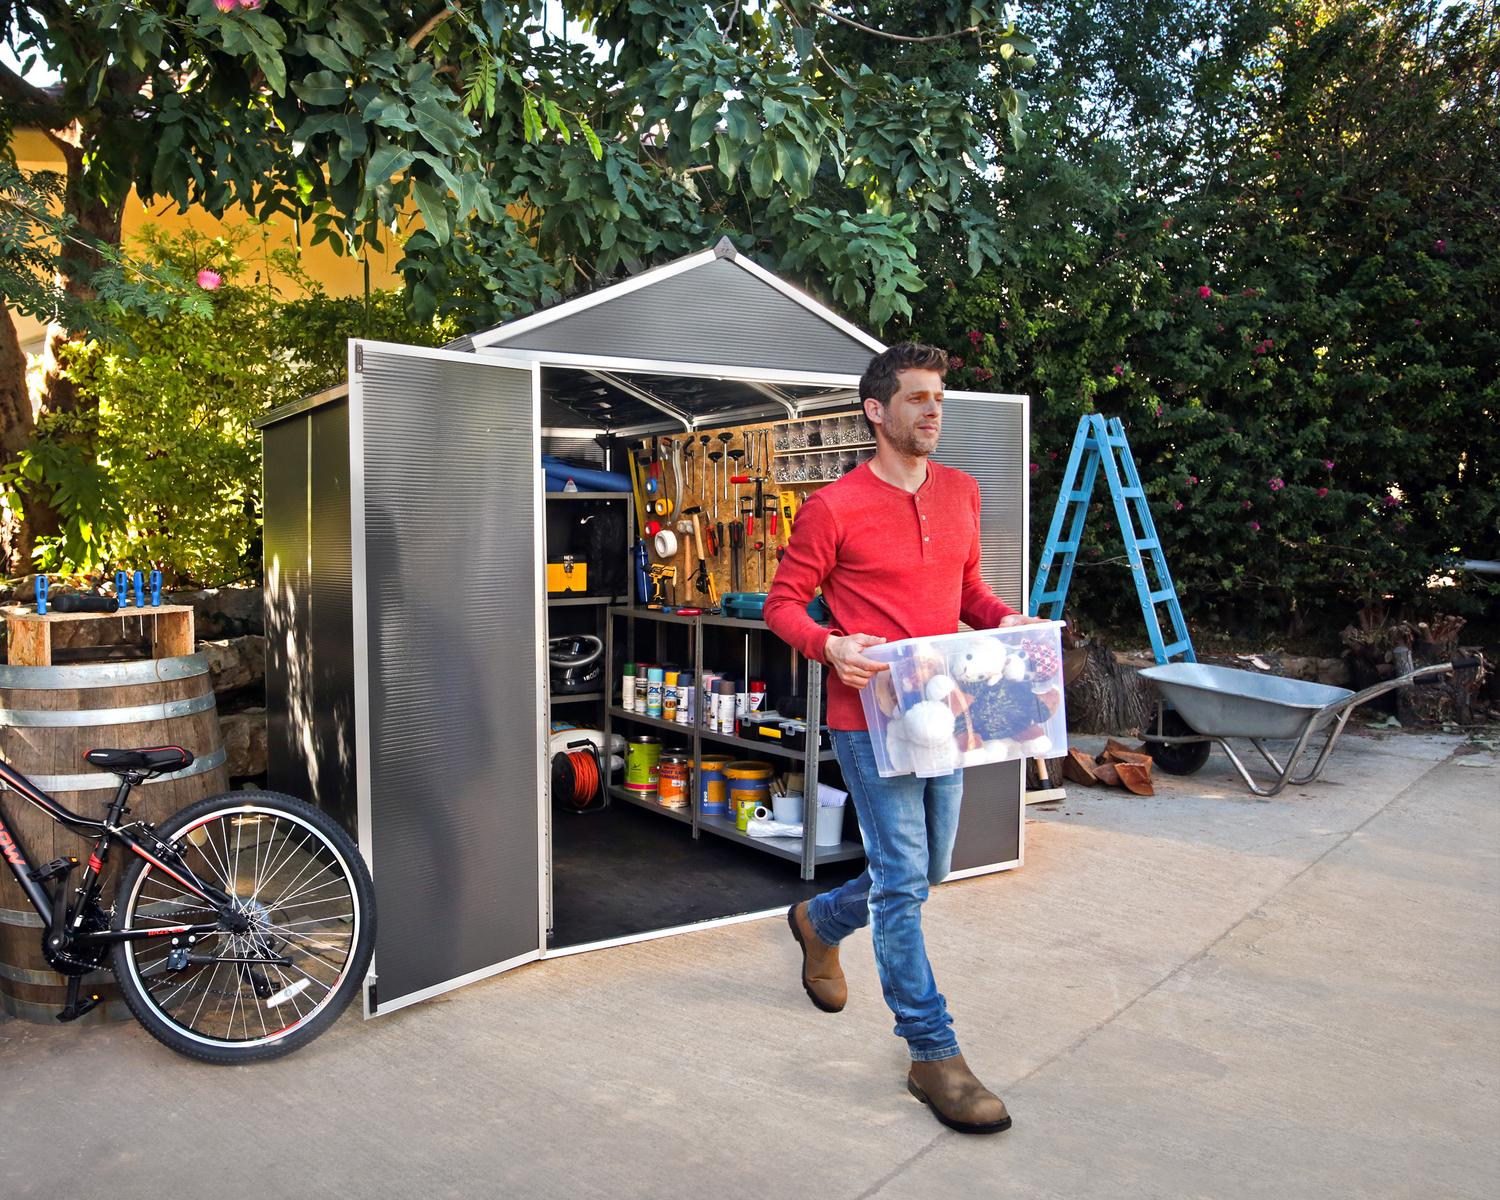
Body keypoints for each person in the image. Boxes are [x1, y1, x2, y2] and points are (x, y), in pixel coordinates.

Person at [763, 342, 1047, 1135]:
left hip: (946, 712)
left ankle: (818, 922)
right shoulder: (834, 506)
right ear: (875, 411)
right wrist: (829, 646)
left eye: (940, 399)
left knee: (928, 869)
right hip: (869, 720)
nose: (932, 411)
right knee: (902, 882)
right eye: (917, 398)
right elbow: (783, 604)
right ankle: (932, 1053)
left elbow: (969, 593)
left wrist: (1008, 622)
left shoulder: (961, 491)